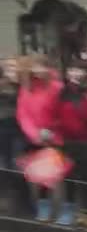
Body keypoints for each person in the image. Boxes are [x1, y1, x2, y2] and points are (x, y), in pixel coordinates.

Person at [56, 58, 87, 227]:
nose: (75, 73)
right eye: (72, 70)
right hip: (67, 142)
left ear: (85, 73)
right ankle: (70, 210)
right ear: (67, 72)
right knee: (68, 178)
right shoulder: (62, 92)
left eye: (79, 71)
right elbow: (57, 114)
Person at [16, 54, 64, 221]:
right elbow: (23, 115)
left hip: (54, 138)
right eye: (36, 67)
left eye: (43, 66)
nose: (39, 70)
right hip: (35, 139)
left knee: (52, 177)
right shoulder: (26, 88)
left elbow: (63, 112)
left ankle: (59, 210)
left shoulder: (57, 87)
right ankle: (44, 209)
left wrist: (51, 130)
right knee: (39, 178)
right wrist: (35, 134)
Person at [0, 57, 32, 216]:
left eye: (12, 67)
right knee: (4, 166)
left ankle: (26, 205)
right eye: (6, 66)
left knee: (17, 166)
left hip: (17, 128)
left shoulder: (21, 85)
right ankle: (9, 203)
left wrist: (17, 83)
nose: (9, 69)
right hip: (2, 128)